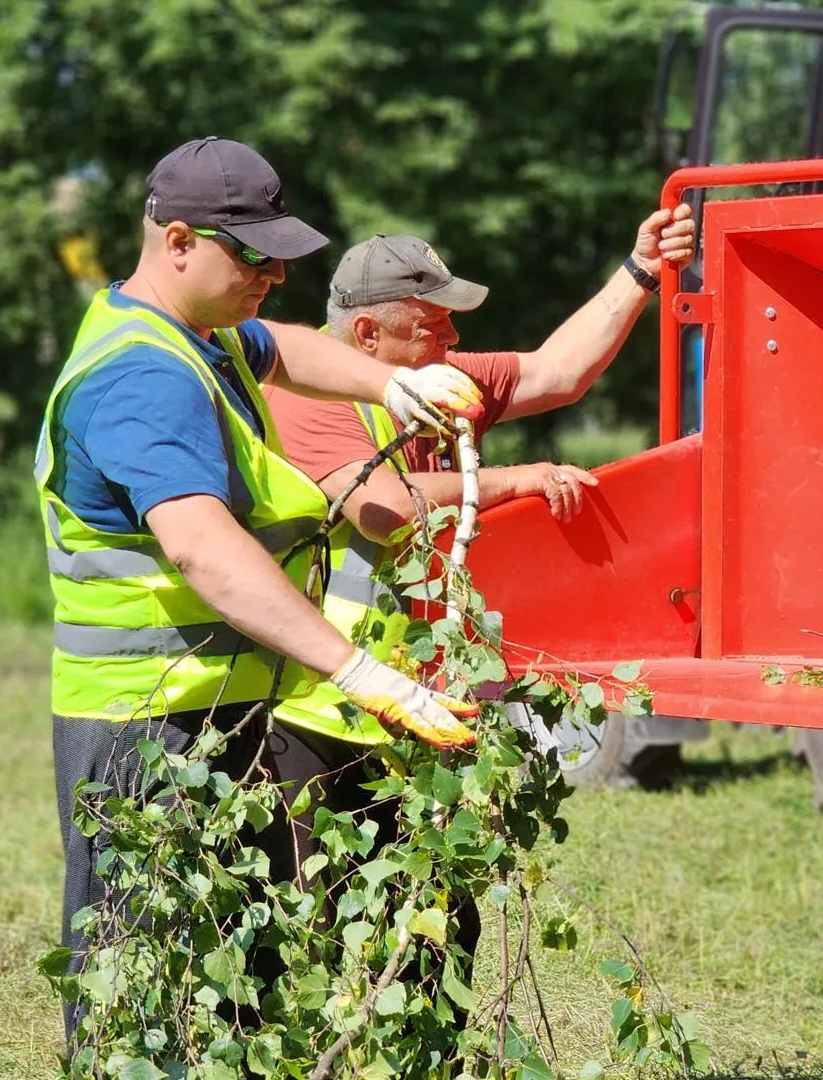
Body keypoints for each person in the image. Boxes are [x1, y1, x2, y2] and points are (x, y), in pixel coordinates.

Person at [35, 136, 487, 1043]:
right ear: (176, 243)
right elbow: (206, 553)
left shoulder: (193, 334)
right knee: (147, 1001)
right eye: (254, 255)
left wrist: (394, 388)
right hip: (146, 738)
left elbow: (278, 349)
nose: (274, 275)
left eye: (280, 256)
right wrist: (361, 672)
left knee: (236, 986)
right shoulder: (142, 376)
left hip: (217, 720)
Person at [258, 207, 695, 743]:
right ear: (369, 333)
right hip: (327, 707)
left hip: (423, 684)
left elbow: (557, 372)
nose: (453, 337)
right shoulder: (305, 395)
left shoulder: (433, 375)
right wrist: (517, 480)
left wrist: (640, 270)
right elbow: (387, 511)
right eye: (432, 325)